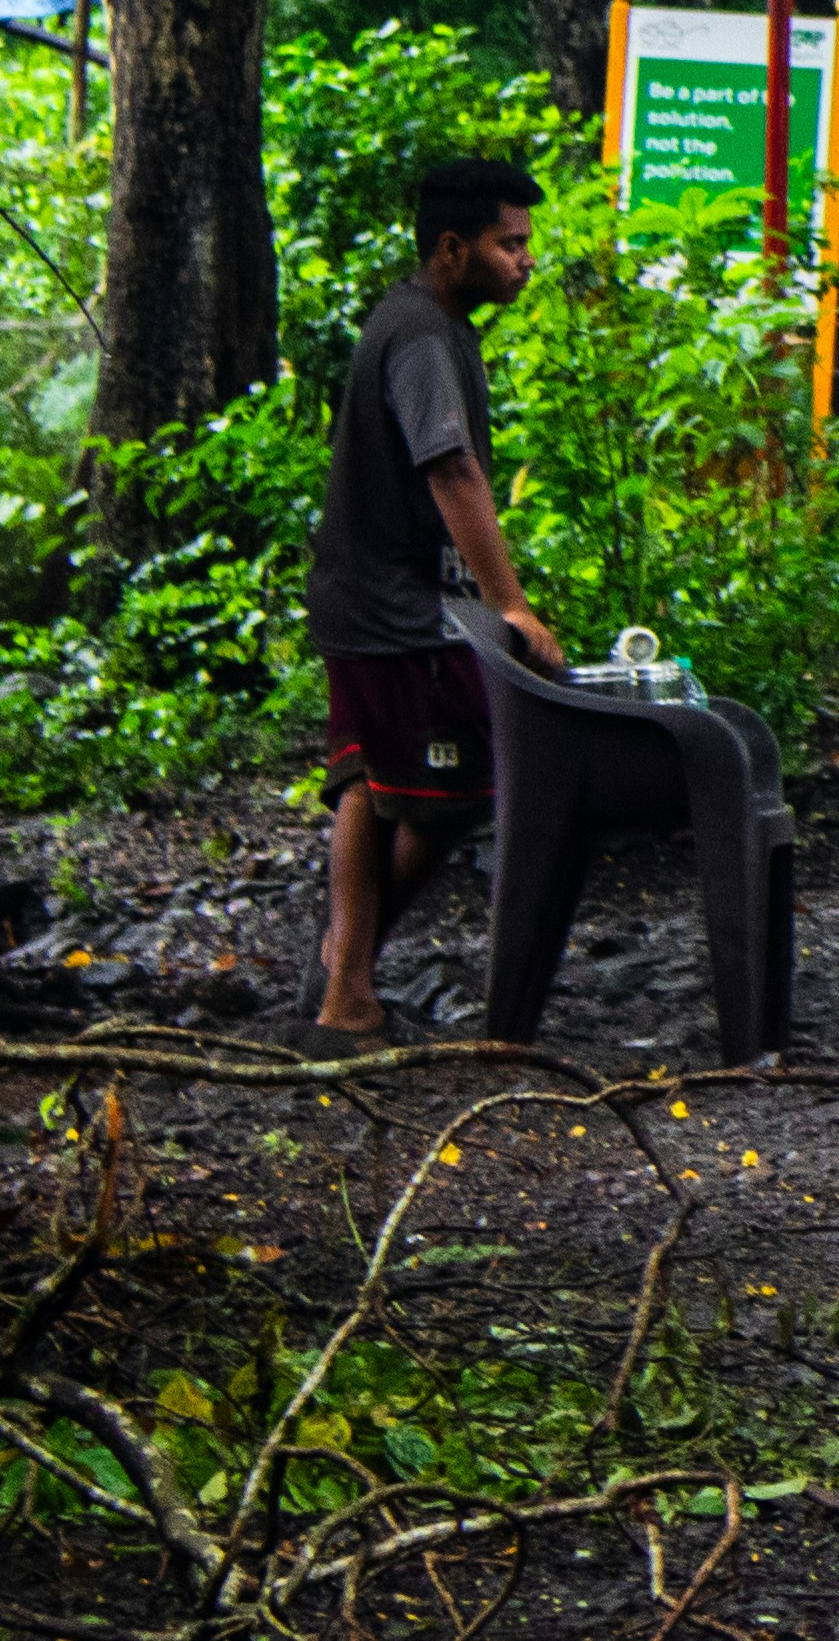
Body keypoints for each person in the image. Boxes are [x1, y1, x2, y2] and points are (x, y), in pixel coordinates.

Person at [304, 157, 563, 1048]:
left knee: (369, 786)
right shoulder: (418, 333)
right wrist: (512, 606)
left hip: (376, 601)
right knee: (439, 794)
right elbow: (450, 468)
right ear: (452, 248)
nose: (526, 260)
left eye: (528, 242)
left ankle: (346, 980)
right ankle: (347, 976)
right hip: (396, 611)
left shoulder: (435, 325)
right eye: (509, 242)